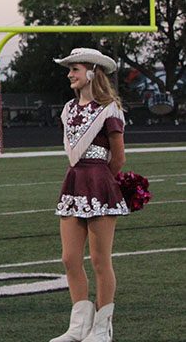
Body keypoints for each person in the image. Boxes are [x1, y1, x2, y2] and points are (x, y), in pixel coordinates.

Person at [50, 49, 128, 342]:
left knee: (99, 259)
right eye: (70, 70)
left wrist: (102, 181)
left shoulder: (110, 109)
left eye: (76, 69)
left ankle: (102, 327)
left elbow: (118, 158)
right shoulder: (68, 109)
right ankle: (79, 326)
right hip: (73, 183)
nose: (70, 74)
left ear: (93, 73)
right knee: (70, 258)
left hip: (99, 185)